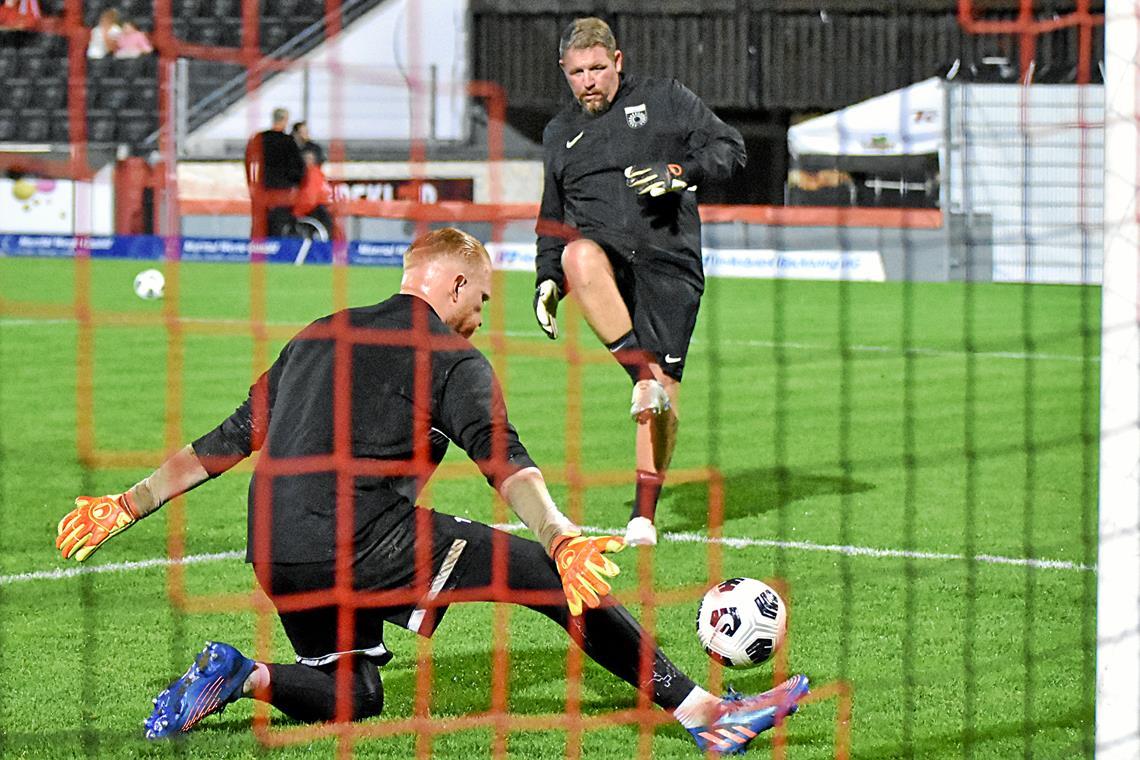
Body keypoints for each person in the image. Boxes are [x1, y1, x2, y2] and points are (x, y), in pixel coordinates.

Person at [55, 228, 807, 754]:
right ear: (451, 283)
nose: (480, 320)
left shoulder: (319, 331)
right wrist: (558, 535)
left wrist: (127, 504)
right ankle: (705, 714)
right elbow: (507, 464)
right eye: (479, 300)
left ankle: (238, 674)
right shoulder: (452, 358)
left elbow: (224, 441)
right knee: (550, 579)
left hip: (271, 545)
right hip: (358, 537)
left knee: (353, 693)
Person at [533, 18, 747, 547]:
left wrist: (681, 171)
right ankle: (639, 377)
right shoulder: (560, 134)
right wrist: (545, 278)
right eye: (578, 72)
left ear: (618, 62)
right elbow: (552, 217)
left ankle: (643, 516)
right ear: (565, 72)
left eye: (598, 69)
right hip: (604, 260)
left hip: (669, 263)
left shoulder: (665, 99)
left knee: (665, 396)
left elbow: (731, 148)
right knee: (577, 255)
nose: (589, 81)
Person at [244, 107, 304, 238]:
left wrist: (251, 184)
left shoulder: (259, 138)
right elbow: (298, 169)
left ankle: (257, 249)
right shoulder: (288, 142)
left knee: (259, 223)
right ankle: (276, 252)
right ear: (285, 120)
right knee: (279, 224)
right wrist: (297, 184)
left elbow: (248, 162)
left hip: (262, 189)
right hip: (282, 191)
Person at [292, 146, 335, 241]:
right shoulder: (320, 174)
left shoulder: (311, 174)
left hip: (316, 213)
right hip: (326, 213)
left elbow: (310, 198)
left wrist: (296, 213)